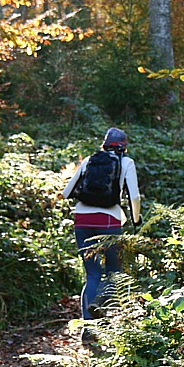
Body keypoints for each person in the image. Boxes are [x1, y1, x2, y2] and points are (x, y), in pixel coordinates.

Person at [61, 127, 142, 319]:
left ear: (104, 145)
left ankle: (88, 327)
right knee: (114, 272)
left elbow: (66, 193)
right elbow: (134, 197)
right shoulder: (126, 163)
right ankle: (99, 302)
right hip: (108, 222)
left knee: (92, 275)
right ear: (124, 146)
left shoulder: (90, 160)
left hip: (81, 221)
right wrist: (136, 219)